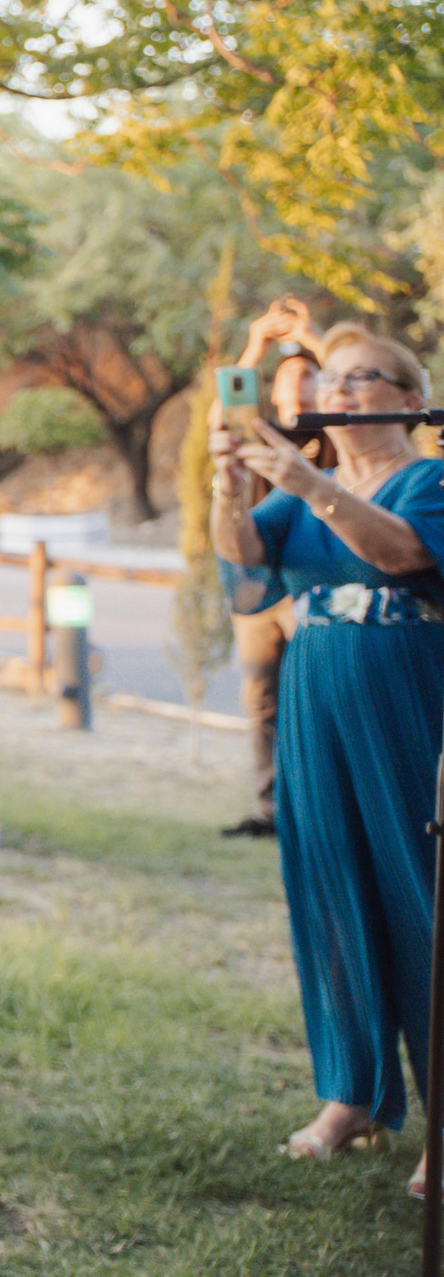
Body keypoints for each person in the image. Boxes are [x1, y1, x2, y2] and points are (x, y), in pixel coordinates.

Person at [210, 321, 443, 1193]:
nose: (334, 394)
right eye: (329, 382)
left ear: (410, 399)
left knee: (421, 892)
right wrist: (228, 489)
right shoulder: (305, 488)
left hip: (407, 701)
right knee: (328, 887)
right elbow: (245, 567)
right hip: (315, 700)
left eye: (359, 380)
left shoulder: (431, 477)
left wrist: (306, 481)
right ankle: (354, 1091)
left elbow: (405, 552)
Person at [221, 297, 325, 838]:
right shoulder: (254, 430)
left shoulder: (334, 434)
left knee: (316, 696)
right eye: (287, 380)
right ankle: (270, 810)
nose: (297, 388)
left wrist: (313, 338)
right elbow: (225, 408)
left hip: (314, 581)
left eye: (308, 378)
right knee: (261, 698)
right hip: (259, 584)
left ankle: (316, 806)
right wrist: (257, 346)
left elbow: (361, 380)